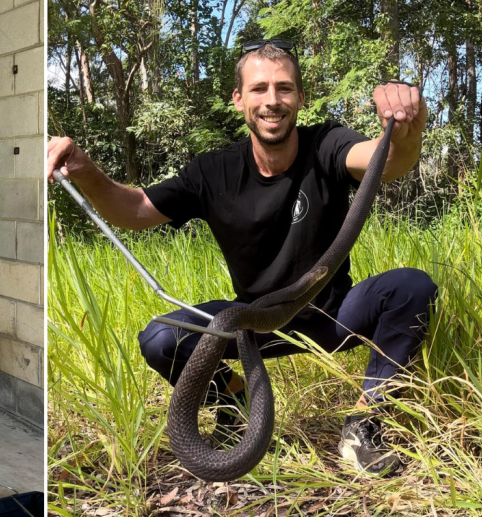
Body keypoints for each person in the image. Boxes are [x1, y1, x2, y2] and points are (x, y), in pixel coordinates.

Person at [46, 40, 438, 476]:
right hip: (254, 324)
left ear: (300, 98)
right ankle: (236, 401)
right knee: (161, 338)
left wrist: (407, 131)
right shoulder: (214, 171)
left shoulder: (326, 143)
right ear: (239, 100)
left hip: (333, 314)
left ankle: (365, 422)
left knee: (411, 286)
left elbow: (386, 162)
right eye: (259, 89)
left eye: (285, 88)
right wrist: (85, 169)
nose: (272, 100)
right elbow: (134, 210)